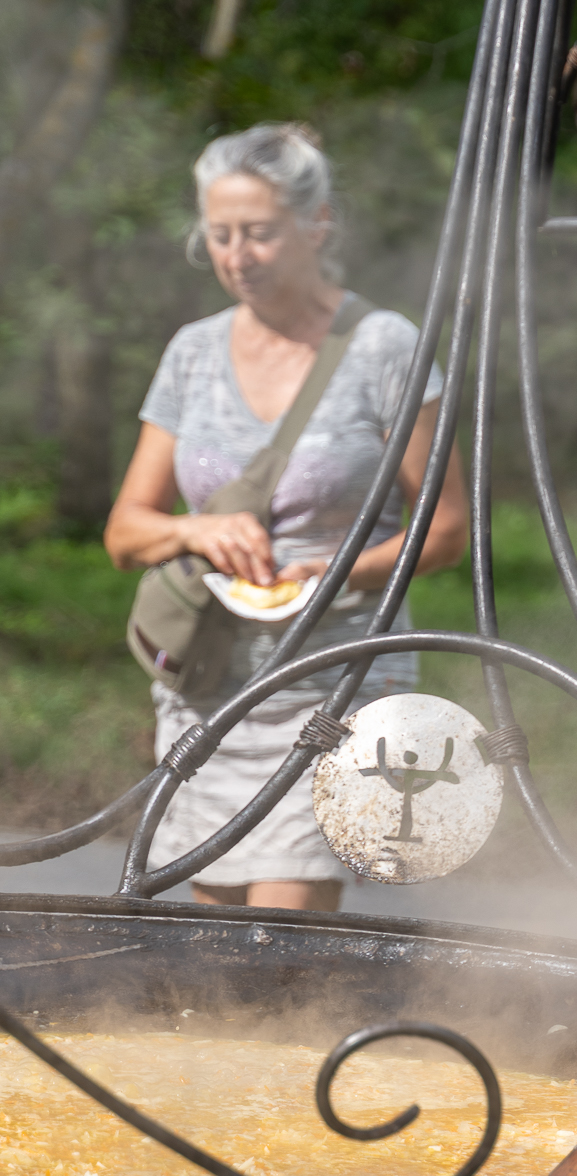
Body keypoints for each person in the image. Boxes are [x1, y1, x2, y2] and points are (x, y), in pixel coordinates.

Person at [105, 123, 466, 913]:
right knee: (213, 952)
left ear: (318, 223)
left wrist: (331, 575)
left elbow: (446, 530)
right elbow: (126, 530)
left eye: (260, 233)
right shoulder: (192, 352)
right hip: (209, 686)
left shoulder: (384, 348)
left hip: (333, 681)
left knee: (277, 945)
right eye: (222, 234)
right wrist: (195, 529)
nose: (238, 255)